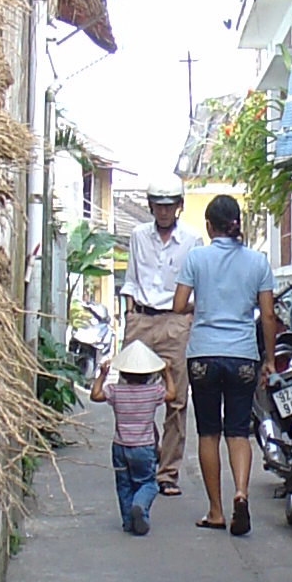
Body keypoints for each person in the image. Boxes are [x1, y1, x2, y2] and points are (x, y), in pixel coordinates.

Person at [173, 191, 276, 535]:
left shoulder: (196, 258)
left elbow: (178, 305)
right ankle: (242, 493)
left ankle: (216, 511)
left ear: (208, 226)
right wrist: (270, 360)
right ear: (237, 225)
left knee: (208, 432)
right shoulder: (258, 262)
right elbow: (269, 315)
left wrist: (201, 307)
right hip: (243, 356)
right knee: (237, 431)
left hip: (203, 354)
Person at [122, 181, 196, 497]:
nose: (164, 211)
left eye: (169, 204)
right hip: (140, 318)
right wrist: (129, 314)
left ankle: (168, 472)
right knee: (131, 396)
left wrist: (186, 318)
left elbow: (198, 284)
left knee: (175, 399)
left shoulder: (192, 240)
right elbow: (130, 278)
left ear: (179, 204)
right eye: (158, 204)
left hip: (175, 322)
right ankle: (140, 461)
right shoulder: (138, 236)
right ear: (150, 205)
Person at [89, 338, 167, 536]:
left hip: (120, 447)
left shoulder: (116, 391)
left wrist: (103, 375)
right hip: (144, 447)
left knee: (124, 484)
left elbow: (95, 395)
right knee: (148, 483)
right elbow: (173, 394)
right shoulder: (153, 391)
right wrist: (167, 373)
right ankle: (140, 506)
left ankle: (128, 522)